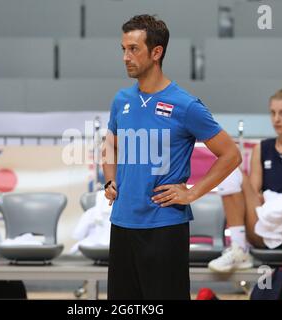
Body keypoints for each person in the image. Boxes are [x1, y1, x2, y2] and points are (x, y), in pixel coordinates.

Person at [102, 14, 241, 300]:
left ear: (156, 52)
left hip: (164, 228)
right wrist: (109, 180)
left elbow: (230, 154)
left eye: (133, 49)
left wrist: (192, 193)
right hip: (122, 223)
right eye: (123, 49)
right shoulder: (121, 100)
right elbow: (110, 145)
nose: (125, 57)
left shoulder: (186, 105)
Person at [208, 88, 282, 300]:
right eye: (272, 113)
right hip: (265, 224)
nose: (276, 119)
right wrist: (269, 202)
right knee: (229, 168)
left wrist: (278, 202)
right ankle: (239, 249)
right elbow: (255, 192)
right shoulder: (261, 148)